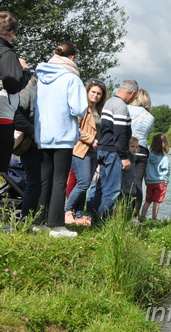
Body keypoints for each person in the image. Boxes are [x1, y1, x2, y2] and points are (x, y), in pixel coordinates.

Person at [33, 41, 88, 238]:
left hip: (43, 134)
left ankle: (38, 222)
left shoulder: (42, 78)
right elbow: (79, 108)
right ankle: (56, 225)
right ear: (72, 58)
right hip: (63, 134)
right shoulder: (72, 79)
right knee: (60, 180)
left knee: (45, 179)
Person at [91, 79, 138, 222]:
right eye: (134, 97)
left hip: (103, 149)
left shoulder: (109, 102)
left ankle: (94, 217)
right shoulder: (121, 106)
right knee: (112, 190)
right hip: (113, 152)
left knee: (101, 187)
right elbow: (120, 134)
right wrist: (124, 156)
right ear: (132, 93)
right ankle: (102, 221)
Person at [64, 79, 107, 226]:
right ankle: (67, 211)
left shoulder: (100, 111)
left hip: (93, 152)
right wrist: (91, 140)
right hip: (80, 149)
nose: (95, 95)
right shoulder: (81, 107)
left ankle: (79, 214)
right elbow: (75, 128)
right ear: (87, 91)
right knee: (83, 182)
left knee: (86, 183)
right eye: (93, 92)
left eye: (99, 93)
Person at [0, 11, 31, 174]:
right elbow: (12, 85)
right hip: (2, 118)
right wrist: (25, 71)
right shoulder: (6, 53)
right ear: (11, 33)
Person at [13, 77, 40, 219]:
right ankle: (27, 219)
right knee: (34, 181)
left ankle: (40, 218)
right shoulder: (30, 92)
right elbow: (15, 115)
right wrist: (32, 131)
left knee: (41, 182)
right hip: (32, 146)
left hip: (45, 147)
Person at [128, 88, 154, 215]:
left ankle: (120, 210)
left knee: (124, 180)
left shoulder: (126, 109)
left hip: (128, 147)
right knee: (138, 182)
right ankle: (135, 213)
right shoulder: (150, 117)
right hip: (142, 150)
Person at [139, 133, 169, 221]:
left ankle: (142, 217)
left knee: (147, 200)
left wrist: (146, 179)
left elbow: (145, 169)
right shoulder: (164, 158)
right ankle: (154, 218)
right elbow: (165, 171)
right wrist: (166, 183)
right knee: (157, 201)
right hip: (160, 182)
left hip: (149, 182)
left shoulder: (148, 156)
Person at [120, 136, 138, 208]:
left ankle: (127, 216)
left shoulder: (134, 158)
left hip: (130, 184)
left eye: (136, 147)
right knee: (121, 202)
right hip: (124, 184)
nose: (134, 148)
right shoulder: (126, 158)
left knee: (128, 203)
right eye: (132, 146)